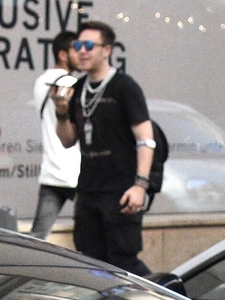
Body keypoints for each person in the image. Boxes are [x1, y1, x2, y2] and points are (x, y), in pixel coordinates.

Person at [52, 20, 155, 273]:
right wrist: (62, 113)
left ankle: (160, 298)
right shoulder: (76, 89)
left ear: (107, 50)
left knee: (123, 264)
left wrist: (140, 185)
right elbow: (67, 140)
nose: (82, 51)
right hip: (88, 190)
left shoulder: (124, 87)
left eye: (89, 45)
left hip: (120, 191)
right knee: (90, 262)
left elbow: (146, 139)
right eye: (78, 45)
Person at [29, 30, 83, 236]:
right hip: (76, 169)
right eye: (76, 49)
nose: (81, 54)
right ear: (62, 54)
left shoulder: (41, 81)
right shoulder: (70, 84)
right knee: (88, 236)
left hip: (52, 170)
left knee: (38, 237)